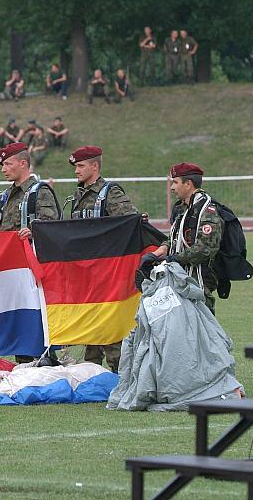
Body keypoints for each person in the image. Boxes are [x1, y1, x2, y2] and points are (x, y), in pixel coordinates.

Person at [62, 146, 137, 373]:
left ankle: (121, 373)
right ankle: (92, 371)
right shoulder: (76, 196)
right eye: (76, 166)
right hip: (84, 273)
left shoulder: (110, 193)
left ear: (95, 166)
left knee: (110, 327)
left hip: (106, 273)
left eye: (81, 166)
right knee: (91, 324)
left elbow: (129, 222)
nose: (76, 171)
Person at [0, 143, 59, 363]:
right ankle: (23, 361)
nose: (3, 169)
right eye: (2, 164)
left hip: (31, 270)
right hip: (9, 269)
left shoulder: (40, 192)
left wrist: (35, 231)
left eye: (8, 163)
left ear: (23, 163)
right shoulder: (2, 197)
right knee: (16, 316)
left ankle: (43, 361)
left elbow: (53, 225)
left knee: (34, 317)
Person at [150, 163, 223, 315]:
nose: (171, 187)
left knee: (202, 331)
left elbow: (205, 248)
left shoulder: (207, 211)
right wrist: (164, 248)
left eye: (175, 182)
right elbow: (176, 237)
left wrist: (173, 259)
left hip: (198, 280)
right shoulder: (182, 208)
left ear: (188, 184)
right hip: (180, 277)